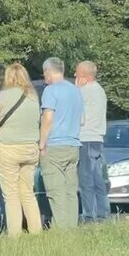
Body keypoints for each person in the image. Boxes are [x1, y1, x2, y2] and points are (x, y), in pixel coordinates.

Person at [0, 63, 43, 237]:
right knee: (28, 193)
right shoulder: (33, 96)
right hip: (31, 148)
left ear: (8, 77)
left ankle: (14, 235)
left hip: (9, 148)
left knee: (11, 195)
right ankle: (36, 232)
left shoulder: (4, 95)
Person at [39, 57, 83, 229]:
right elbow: (82, 120)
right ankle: (71, 227)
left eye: (44, 73)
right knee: (70, 191)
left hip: (55, 146)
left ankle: (60, 230)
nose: (44, 77)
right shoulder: (75, 90)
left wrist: (42, 144)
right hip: (73, 144)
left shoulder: (50, 91)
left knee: (56, 191)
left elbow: (47, 119)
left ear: (49, 71)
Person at [75, 61, 109, 223]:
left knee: (86, 180)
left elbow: (73, 107)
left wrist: (77, 88)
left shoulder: (84, 91)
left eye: (77, 73)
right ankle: (103, 214)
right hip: (97, 139)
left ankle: (89, 216)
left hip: (86, 139)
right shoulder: (100, 90)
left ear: (85, 76)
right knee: (97, 179)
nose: (75, 75)